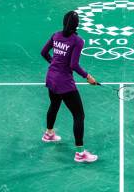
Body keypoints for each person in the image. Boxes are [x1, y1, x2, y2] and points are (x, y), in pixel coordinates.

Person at [40, 11, 99, 163]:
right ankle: (80, 153)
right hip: (64, 82)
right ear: (76, 24)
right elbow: (73, 65)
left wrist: (54, 64)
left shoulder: (56, 35)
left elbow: (44, 52)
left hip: (51, 77)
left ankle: (49, 134)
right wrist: (88, 76)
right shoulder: (77, 41)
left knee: (54, 104)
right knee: (79, 115)